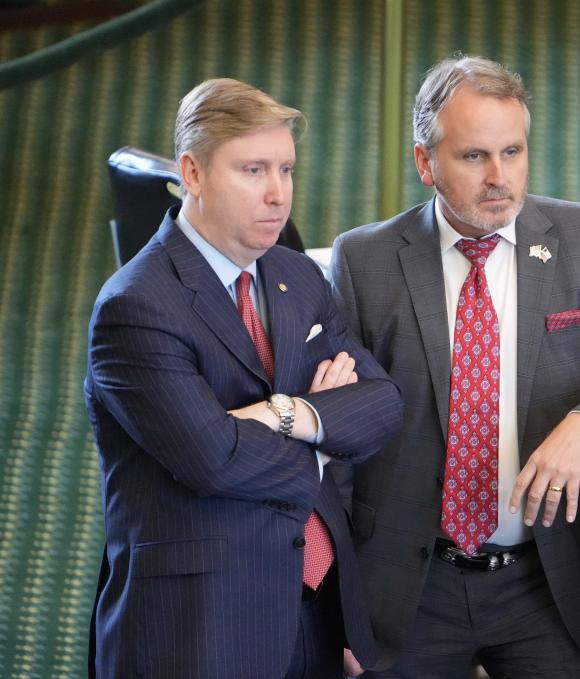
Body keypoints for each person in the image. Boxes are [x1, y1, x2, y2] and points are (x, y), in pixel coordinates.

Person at [329, 56, 580, 678]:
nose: (500, 176)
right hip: (409, 586)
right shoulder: (364, 261)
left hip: (547, 583)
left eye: (513, 151)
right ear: (426, 163)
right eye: (474, 157)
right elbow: (339, 439)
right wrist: (333, 602)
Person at [85, 78, 403, 678]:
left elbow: (383, 402)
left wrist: (289, 415)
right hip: (200, 627)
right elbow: (213, 459)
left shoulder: (297, 276)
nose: (278, 195)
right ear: (193, 173)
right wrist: (321, 446)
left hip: (316, 613)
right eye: (253, 170)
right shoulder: (136, 307)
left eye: (286, 170)